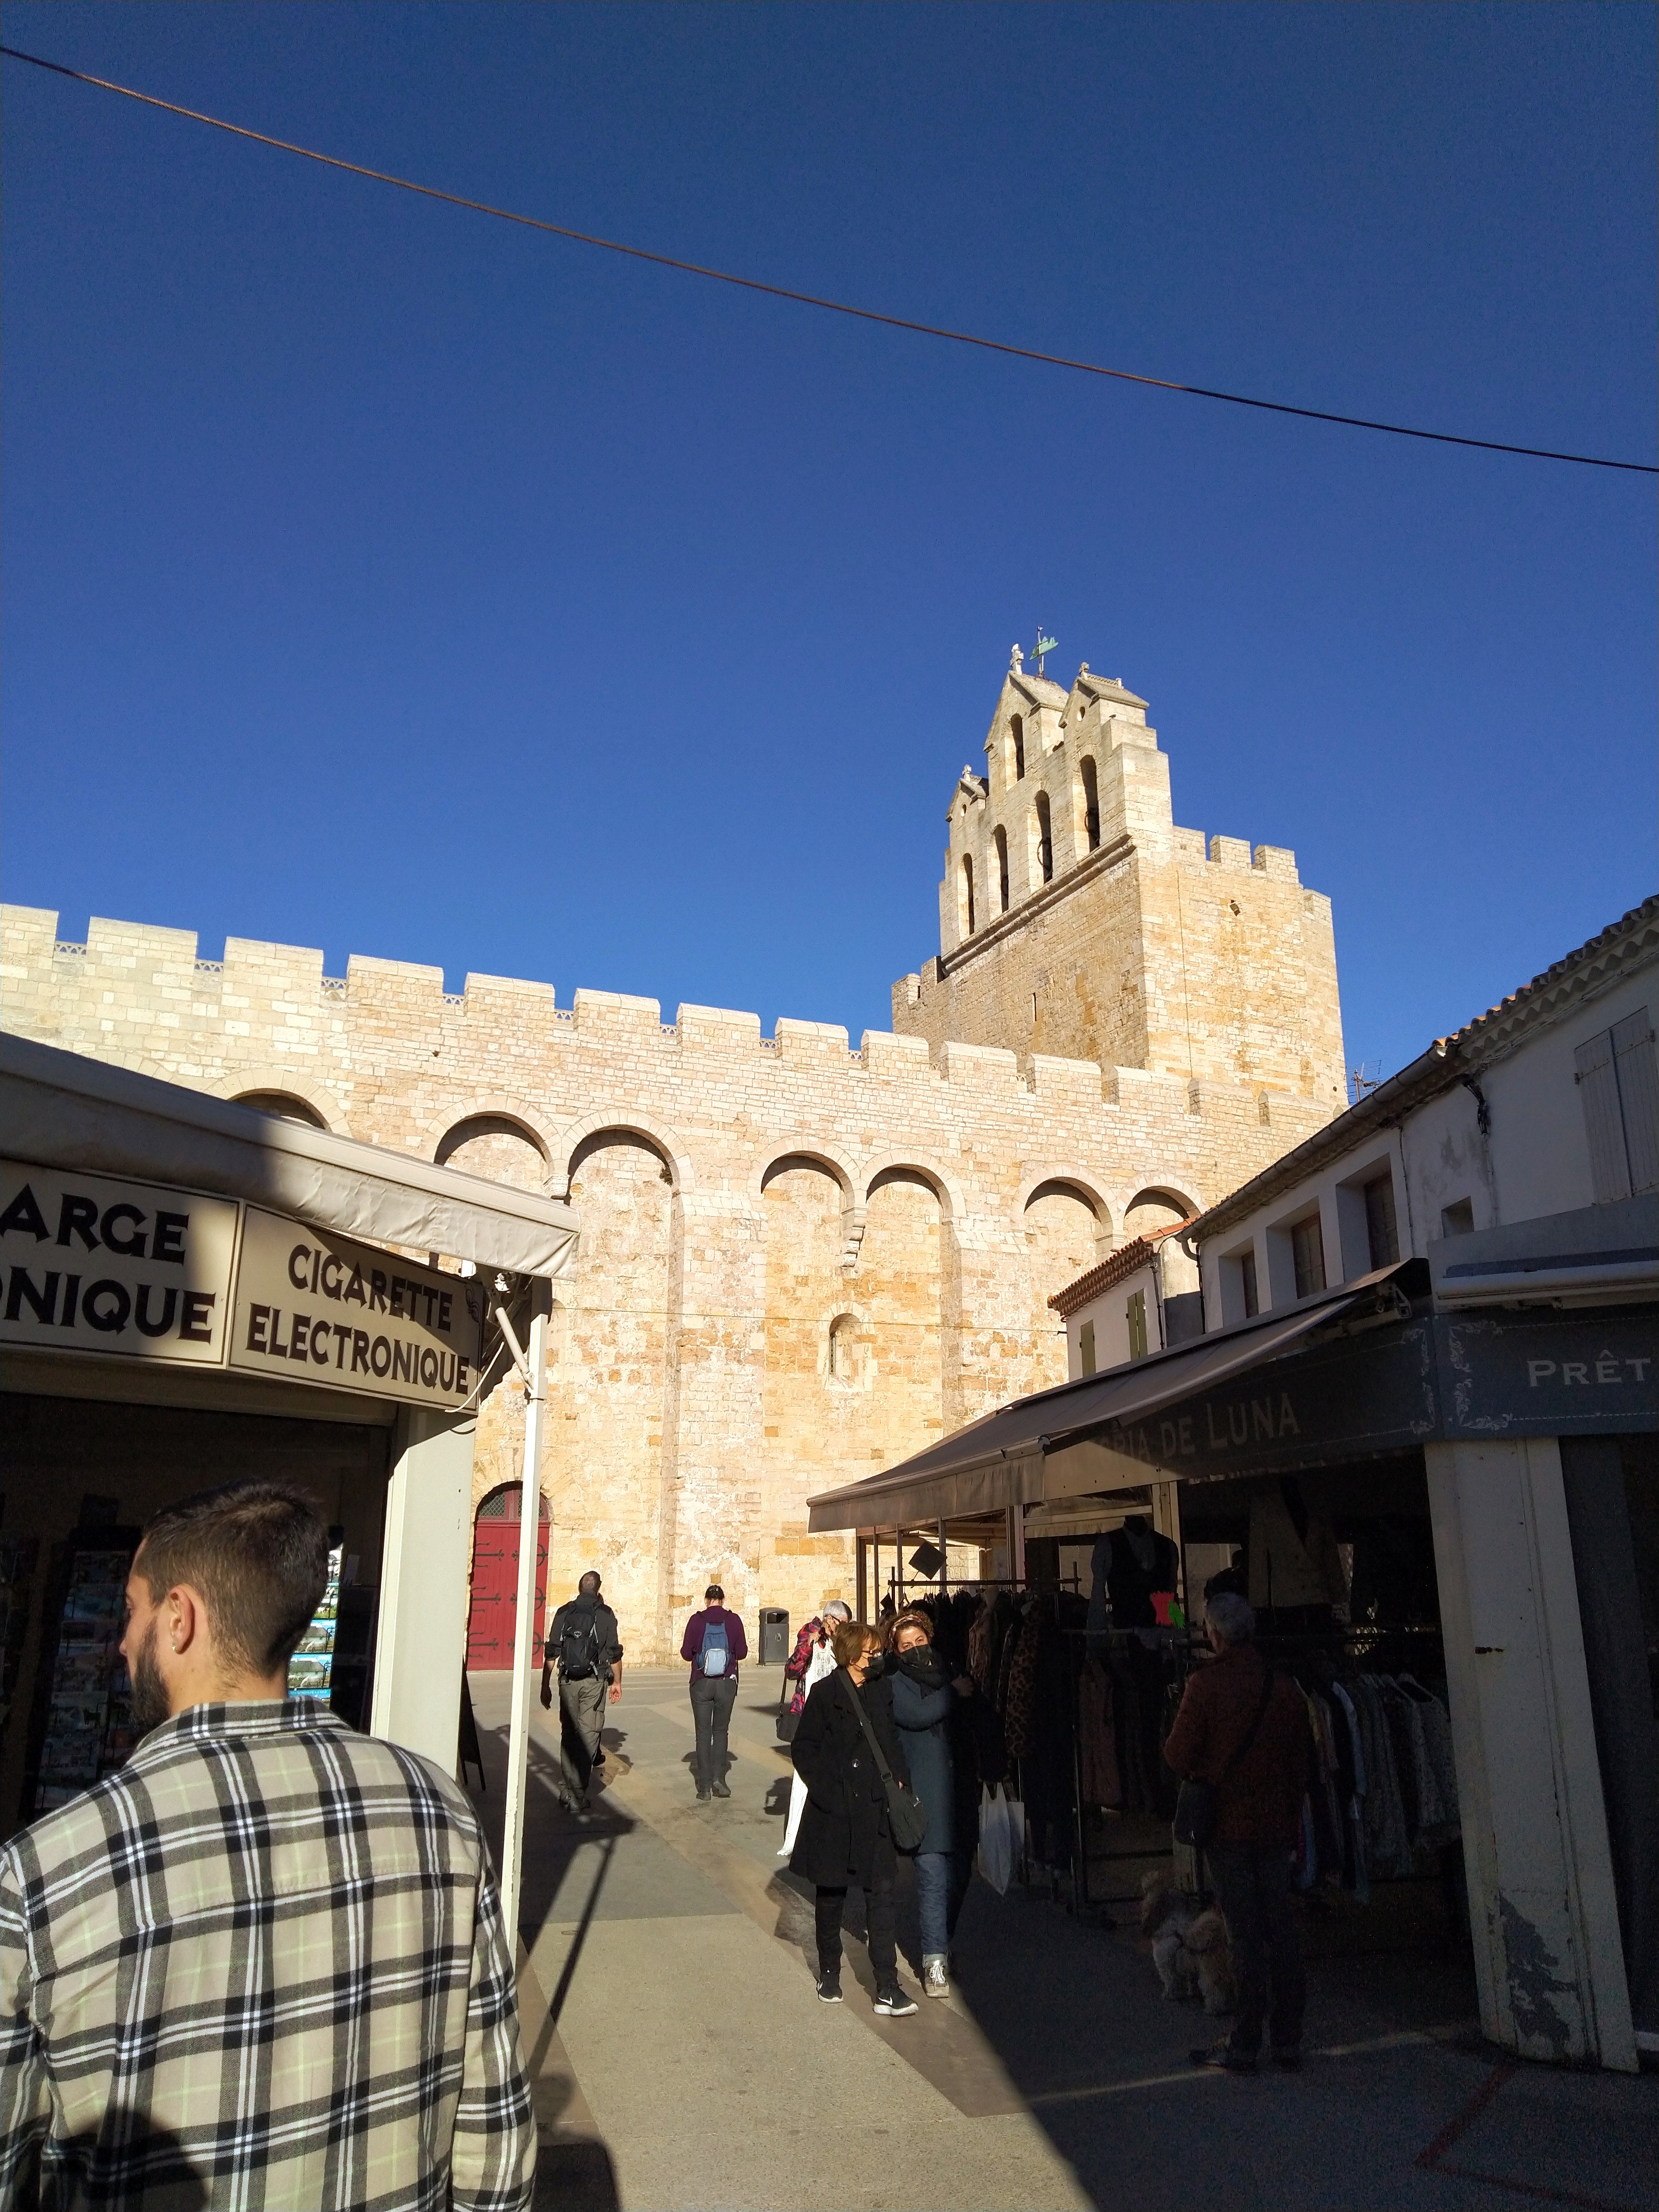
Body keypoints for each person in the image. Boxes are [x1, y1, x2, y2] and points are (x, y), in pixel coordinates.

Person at [0, 1479, 535, 2208]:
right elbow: (494, 2147)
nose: (122, 1640)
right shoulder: (439, 1810)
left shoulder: (45, 1874)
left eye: (132, 1610)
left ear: (179, 1618)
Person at [1162, 1590, 1311, 2074]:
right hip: (1275, 1824)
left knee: (1244, 1934)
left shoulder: (1205, 1685)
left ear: (1215, 1634)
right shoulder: (1282, 1686)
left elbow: (1178, 1755)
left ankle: (1245, 2041)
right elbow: (1301, 1762)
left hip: (1228, 1825)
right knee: (1282, 1930)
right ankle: (1288, 2038)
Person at [789, 1618, 918, 2017]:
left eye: (878, 1651)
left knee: (882, 1896)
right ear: (851, 1656)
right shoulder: (826, 1693)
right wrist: (829, 1792)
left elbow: (891, 1740)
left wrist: (901, 1781)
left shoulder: (881, 1689)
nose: (877, 1657)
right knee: (831, 1896)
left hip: (875, 1808)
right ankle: (829, 1972)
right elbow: (804, 1747)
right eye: (870, 1652)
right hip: (835, 1813)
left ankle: (887, 1986)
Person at [886, 1607, 1003, 1999]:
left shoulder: (951, 1671)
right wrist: (953, 1693)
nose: (914, 1649)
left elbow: (982, 1716)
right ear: (896, 1651)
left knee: (960, 1876)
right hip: (924, 1797)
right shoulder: (895, 1684)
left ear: (931, 1639)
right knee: (933, 1879)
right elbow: (918, 1715)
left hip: (960, 1794)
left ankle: (943, 1939)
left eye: (920, 1641)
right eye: (906, 1645)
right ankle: (933, 1959)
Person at [541, 1568, 624, 1814]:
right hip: (593, 1682)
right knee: (589, 1734)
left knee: (569, 1733)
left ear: (579, 1588)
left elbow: (552, 1652)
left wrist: (545, 1685)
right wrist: (618, 1683)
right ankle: (577, 1793)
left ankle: (568, 1789)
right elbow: (614, 1653)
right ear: (598, 1589)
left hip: (567, 1681)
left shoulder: (564, 1613)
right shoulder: (605, 1615)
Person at [777, 1599, 852, 1857]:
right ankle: (795, 1838)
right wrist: (809, 1646)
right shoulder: (810, 1634)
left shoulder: (841, 1641)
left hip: (835, 1717)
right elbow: (792, 1670)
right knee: (803, 1778)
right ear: (830, 1619)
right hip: (808, 1716)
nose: (844, 1628)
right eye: (842, 1623)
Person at [681, 1583, 748, 1801]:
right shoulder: (734, 1620)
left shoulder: (696, 1620)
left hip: (701, 1682)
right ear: (723, 1600)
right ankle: (720, 1778)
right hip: (727, 1684)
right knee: (720, 1731)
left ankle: (704, 1788)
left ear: (706, 1600)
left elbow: (686, 1654)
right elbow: (743, 1652)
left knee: (703, 1735)